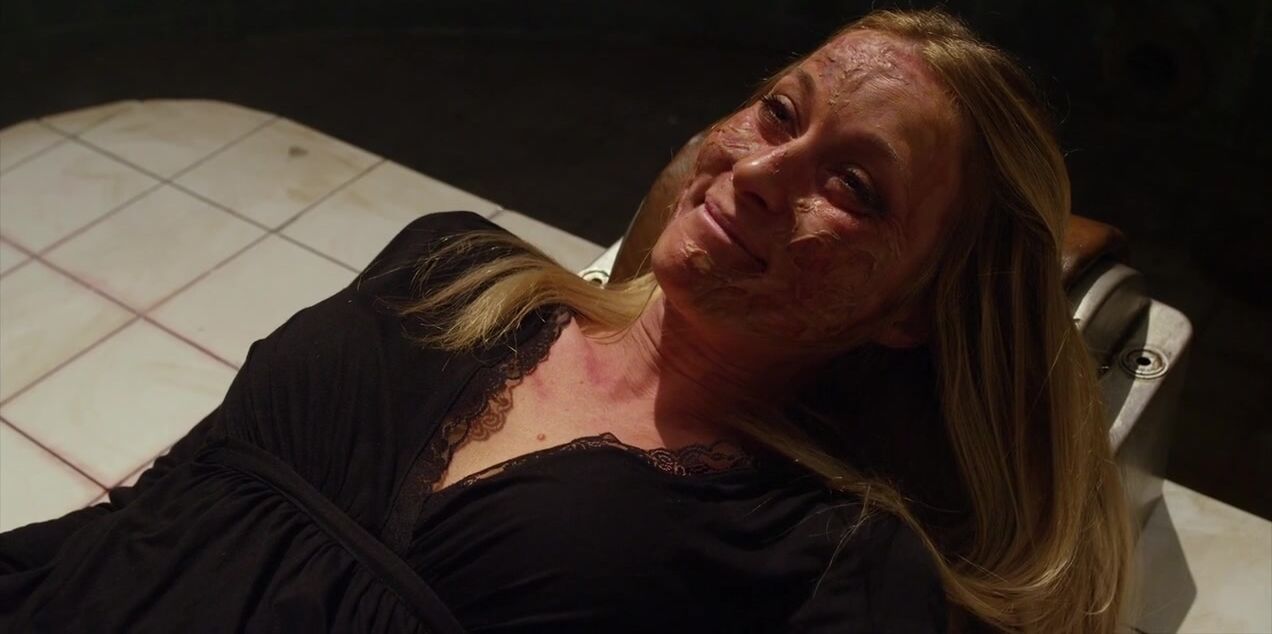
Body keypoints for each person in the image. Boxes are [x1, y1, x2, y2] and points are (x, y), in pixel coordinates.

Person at [0, 8, 1131, 633]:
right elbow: (179, 494)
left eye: (854, 185)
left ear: (912, 312)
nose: (760, 172)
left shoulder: (825, 561)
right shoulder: (450, 262)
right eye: (781, 110)